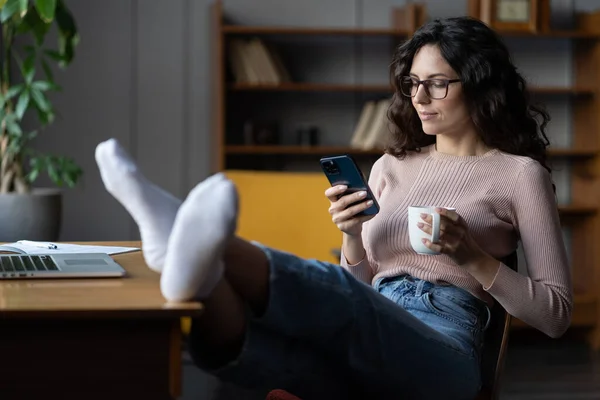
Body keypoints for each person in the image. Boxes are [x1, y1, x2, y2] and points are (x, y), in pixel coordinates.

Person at [94, 16, 571, 400]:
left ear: (480, 84)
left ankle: (196, 244)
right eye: (412, 83)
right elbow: (361, 280)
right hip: (372, 310)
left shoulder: (518, 175)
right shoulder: (391, 166)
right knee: (278, 355)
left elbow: (555, 315)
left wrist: (471, 256)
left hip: (445, 342)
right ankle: (200, 270)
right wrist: (351, 234)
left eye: (437, 84)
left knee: (346, 308)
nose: (419, 98)